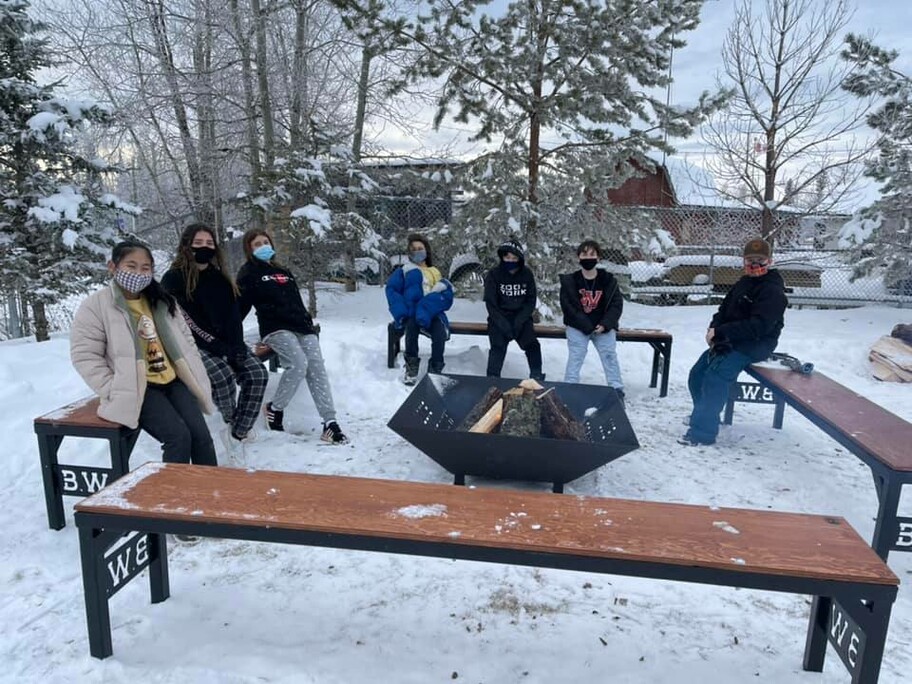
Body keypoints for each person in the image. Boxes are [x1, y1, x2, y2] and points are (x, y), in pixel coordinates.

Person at [70, 240, 217, 466]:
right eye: (131, 266)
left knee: (202, 439)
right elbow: (85, 355)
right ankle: (173, 499)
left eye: (145, 268)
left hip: (173, 380)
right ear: (113, 267)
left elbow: (187, 338)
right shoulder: (96, 306)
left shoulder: (162, 300)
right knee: (178, 437)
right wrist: (113, 387)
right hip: (139, 387)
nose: (138, 273)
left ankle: (210, 495)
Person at [161, 224, 268, 457]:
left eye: (209, 244)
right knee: (222, 375)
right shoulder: (173, 279)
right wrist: (220, 349)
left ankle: (237, 432)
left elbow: (232, 318)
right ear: (186, 246)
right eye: (198, 243)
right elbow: (185, 321)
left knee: (257, 373)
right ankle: (228, 418)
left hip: (225, 343)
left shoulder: (220, 278)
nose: (204, 248)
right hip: (190, 345)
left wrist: (237, 347)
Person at [236, 229, 349, 444]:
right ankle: (274, 408)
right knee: (298, 363)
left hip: (301, 326)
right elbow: (239, 307)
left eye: (266, 242)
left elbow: (296, 300)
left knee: (316, 367)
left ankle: (330, 423)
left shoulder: (283, 271)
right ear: (249, 250)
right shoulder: (248, 273)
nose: (263, 246)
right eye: (257, 244)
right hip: (275, 328)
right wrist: (229, 333)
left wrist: (307, 323)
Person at [680, 238, 788, 446]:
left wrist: (721, 332)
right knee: (698, 374)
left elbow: (758, 327)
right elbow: (723, 311)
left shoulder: (773, 291)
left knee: (715, 377)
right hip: (730, 339)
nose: (755, 265)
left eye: (760, 260)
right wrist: (714, 331)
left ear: (770, 261)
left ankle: (702, 434)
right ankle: (704, 416)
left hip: (755, 344)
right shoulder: (743, 283)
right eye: (750, 260)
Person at [385, 233, 454, 385]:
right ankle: (411, 366)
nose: (417, 252)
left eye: (420, 248)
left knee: (439, 333)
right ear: (409, 253)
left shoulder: (434, 271)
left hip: (432, 312)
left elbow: (443, 294)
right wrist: (401, 313)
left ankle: (436, 368)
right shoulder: (404, 270)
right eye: (414, 249)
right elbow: (392, 291)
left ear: (426, 250)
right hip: (411, 311)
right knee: (411, 328)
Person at [559, 239, 624, 397]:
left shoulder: (608, 281)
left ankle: (616, 389)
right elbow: (568, 308)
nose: (588, 258)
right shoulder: (570, 281)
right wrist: (585, 325)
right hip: (578, 326)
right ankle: (570, 387)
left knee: (609, 356)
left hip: (603, 327)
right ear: (578, 257)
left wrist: (605, 324)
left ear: (598, 257)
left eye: (592, 254)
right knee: (576, 355)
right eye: (584, 254)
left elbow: (616, 305)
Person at [483, 239, 544, 381]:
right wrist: (502, 323)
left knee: (533, 346)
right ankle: (492, 380)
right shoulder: (494, 274)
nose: (510, 260)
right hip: (499, 319)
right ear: (502, 257)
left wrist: (519, 321)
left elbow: (530, 300)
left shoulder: (527, 274)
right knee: (497, 348)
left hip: (521, 319)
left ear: (519, 259)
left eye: (514, 258)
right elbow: (491, 303)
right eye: (507, 257)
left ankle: (536, 377)